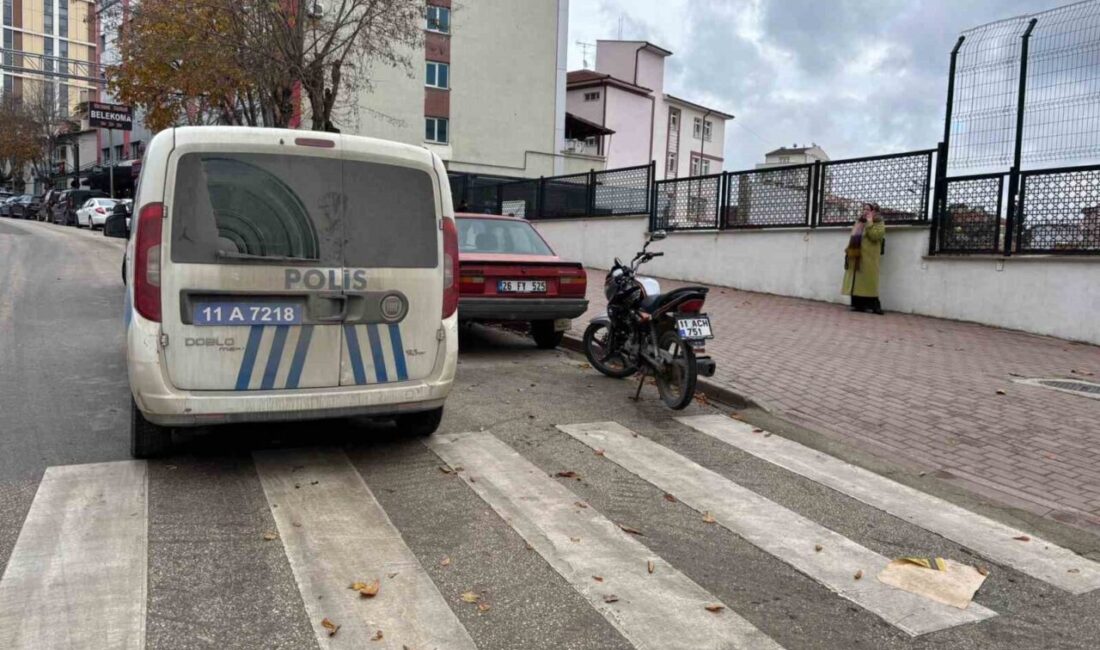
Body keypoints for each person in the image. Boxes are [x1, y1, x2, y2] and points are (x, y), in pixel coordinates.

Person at [842, 202, 886, 314]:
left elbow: (876, 236)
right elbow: (853, 236)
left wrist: (870, 222)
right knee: (857, 281)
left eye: (868, 209)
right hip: (856, 256)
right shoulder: (859, 221)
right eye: (864, 209)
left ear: (874, 211)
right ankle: (858, 305)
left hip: (869, 257)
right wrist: (848, 250)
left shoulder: (879, 222)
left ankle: (875, 306)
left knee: (869, 281)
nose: (865, 211)